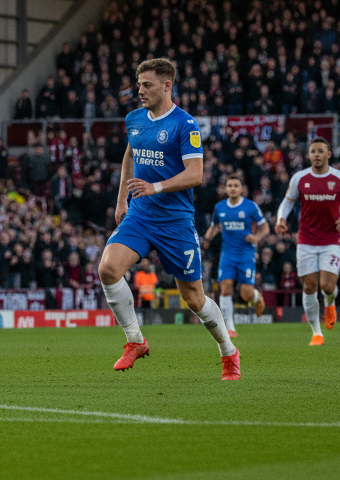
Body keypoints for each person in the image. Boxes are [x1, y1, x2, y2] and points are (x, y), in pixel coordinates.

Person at [98, 58, 240, 380]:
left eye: (146, 85)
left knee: (194, 298)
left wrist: (154, 186)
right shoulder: (134, 119)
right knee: (107, 269)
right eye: (138, 85)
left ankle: (229, 353)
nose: (140, 91)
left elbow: (196, 174)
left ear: (166, 85)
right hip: (140, 215)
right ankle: (135, 341)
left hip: (175, 222)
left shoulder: (185, 125)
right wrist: (122, 199)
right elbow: (130, 155)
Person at [276, 137, 340, 346]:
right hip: (306, 240)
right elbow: (288, 201)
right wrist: (281, 219)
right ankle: (316, 333)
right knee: (309, 286)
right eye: (313, 151)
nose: (317, 155)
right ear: (308, 155)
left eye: (321, 151)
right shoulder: (300, 178)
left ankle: (330, 304)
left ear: (328, 154)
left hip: (331, 239)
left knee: (327, 286)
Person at [203, 177, 269, 337]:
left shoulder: (250, 206)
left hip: (246, 255)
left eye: (236, 186)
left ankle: (256, 297)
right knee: (225, 289)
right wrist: (209, 236)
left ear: (241, 189)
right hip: (227, 255)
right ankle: (230, 328)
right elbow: (215, 226)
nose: (232, 188)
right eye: (230, 185)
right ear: (225, 189)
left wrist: (257, 238)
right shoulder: (219, 207)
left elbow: (265, 227)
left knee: (246, 293)